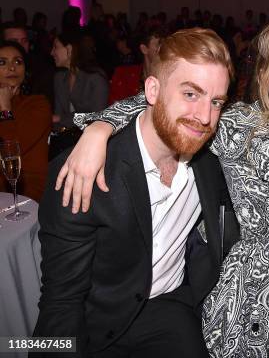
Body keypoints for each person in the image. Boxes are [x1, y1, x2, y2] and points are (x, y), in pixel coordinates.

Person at [54, 17, 269, 357]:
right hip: (248, 288)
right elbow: (166, 101)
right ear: (267, 76)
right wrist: (100, 127)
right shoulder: (234, 127)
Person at [33, 28, 240, 357]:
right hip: (97, 325)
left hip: (170, 307)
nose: (204, 117)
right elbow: (62, 302)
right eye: (190, 94)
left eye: (216, 101)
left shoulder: (214, 157)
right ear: (153, 90)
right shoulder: (84, 171)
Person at [0, 41, 51, 201]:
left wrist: (5, 108)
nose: (12, 68)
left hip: (26, 194)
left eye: (18, 61)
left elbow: (11, 151)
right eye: (2, 62)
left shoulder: (37, 104)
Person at [50, 31, 109, 159]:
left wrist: (61, 119)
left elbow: (96, 117)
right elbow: (56, 120)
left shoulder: (95, 79)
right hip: (65, 144)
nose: (52, 52)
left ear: (69, 49)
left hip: (91, 145)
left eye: (55, 47)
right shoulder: (59, 78)